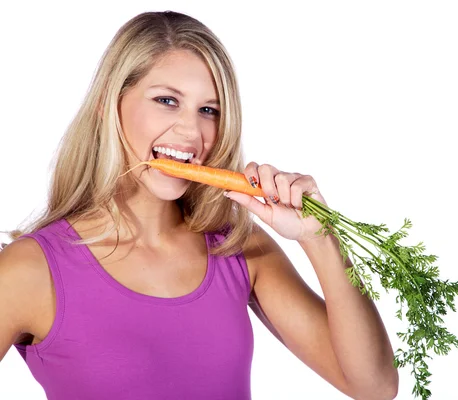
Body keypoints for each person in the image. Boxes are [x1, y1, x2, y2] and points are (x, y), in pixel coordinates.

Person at [0, 10, 398, 400]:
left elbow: (374, 388)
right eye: (167, 100)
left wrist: (319, 238)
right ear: (109, 104)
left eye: (209, 110)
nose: (191, 132)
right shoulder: (29, 269)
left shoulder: (238, 248)